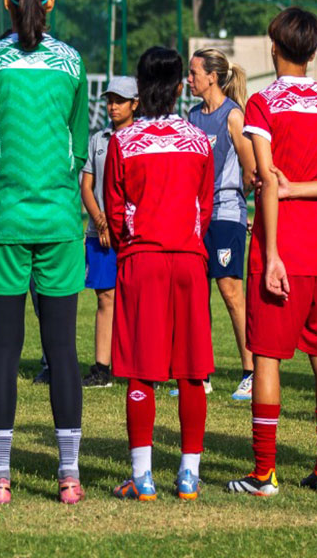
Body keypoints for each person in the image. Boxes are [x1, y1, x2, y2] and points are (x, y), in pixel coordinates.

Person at [0, 0, 89, 505]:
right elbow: (80, 147)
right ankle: (69, 477)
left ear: (6, 1)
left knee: (4, 354)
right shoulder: (72, 63)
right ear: (51, 0)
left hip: (3, 222)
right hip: (60, 223)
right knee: (61, 350)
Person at [226, 8, 317, 497]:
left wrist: (274, 251)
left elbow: (268, 184)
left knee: (267, 360)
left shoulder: (263, 102)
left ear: (273, 48)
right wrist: (303, 188)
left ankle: (264, 473)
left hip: (279, 248)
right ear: (315, 50)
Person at [105, 48, 216, 501]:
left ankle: (143, 477)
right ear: (176, 88)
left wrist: (134, 241)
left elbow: (114, 210)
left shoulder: (124, 142)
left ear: (139, 86)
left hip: (143, 260)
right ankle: (188, 476)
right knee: (192, 371)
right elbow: (204, 208)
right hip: (189, 260)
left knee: (140, 370)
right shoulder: (198, 140)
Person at [185, 47, 256, 400]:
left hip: (226, 215)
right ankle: (201, 375)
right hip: (196, 218)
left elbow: (251, 168)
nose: (189, 79)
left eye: (194, 72)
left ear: (212, 76)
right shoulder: (192, 115)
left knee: (230, 292)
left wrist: (240, 205)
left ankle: (251, 372)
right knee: (197, 295)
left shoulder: (234, 116)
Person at [78, 76, 136, 390]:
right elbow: (86, 185)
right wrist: (100, 220)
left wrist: (117, 225)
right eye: (110, 100)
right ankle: (102, 367)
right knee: (105, 297)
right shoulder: (99, 139)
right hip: (99, 233)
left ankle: (137, 365)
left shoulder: (141, 138)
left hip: (130, 234)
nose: (113, 106)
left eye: (120, 101)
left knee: (135, 300)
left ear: (135, 104)